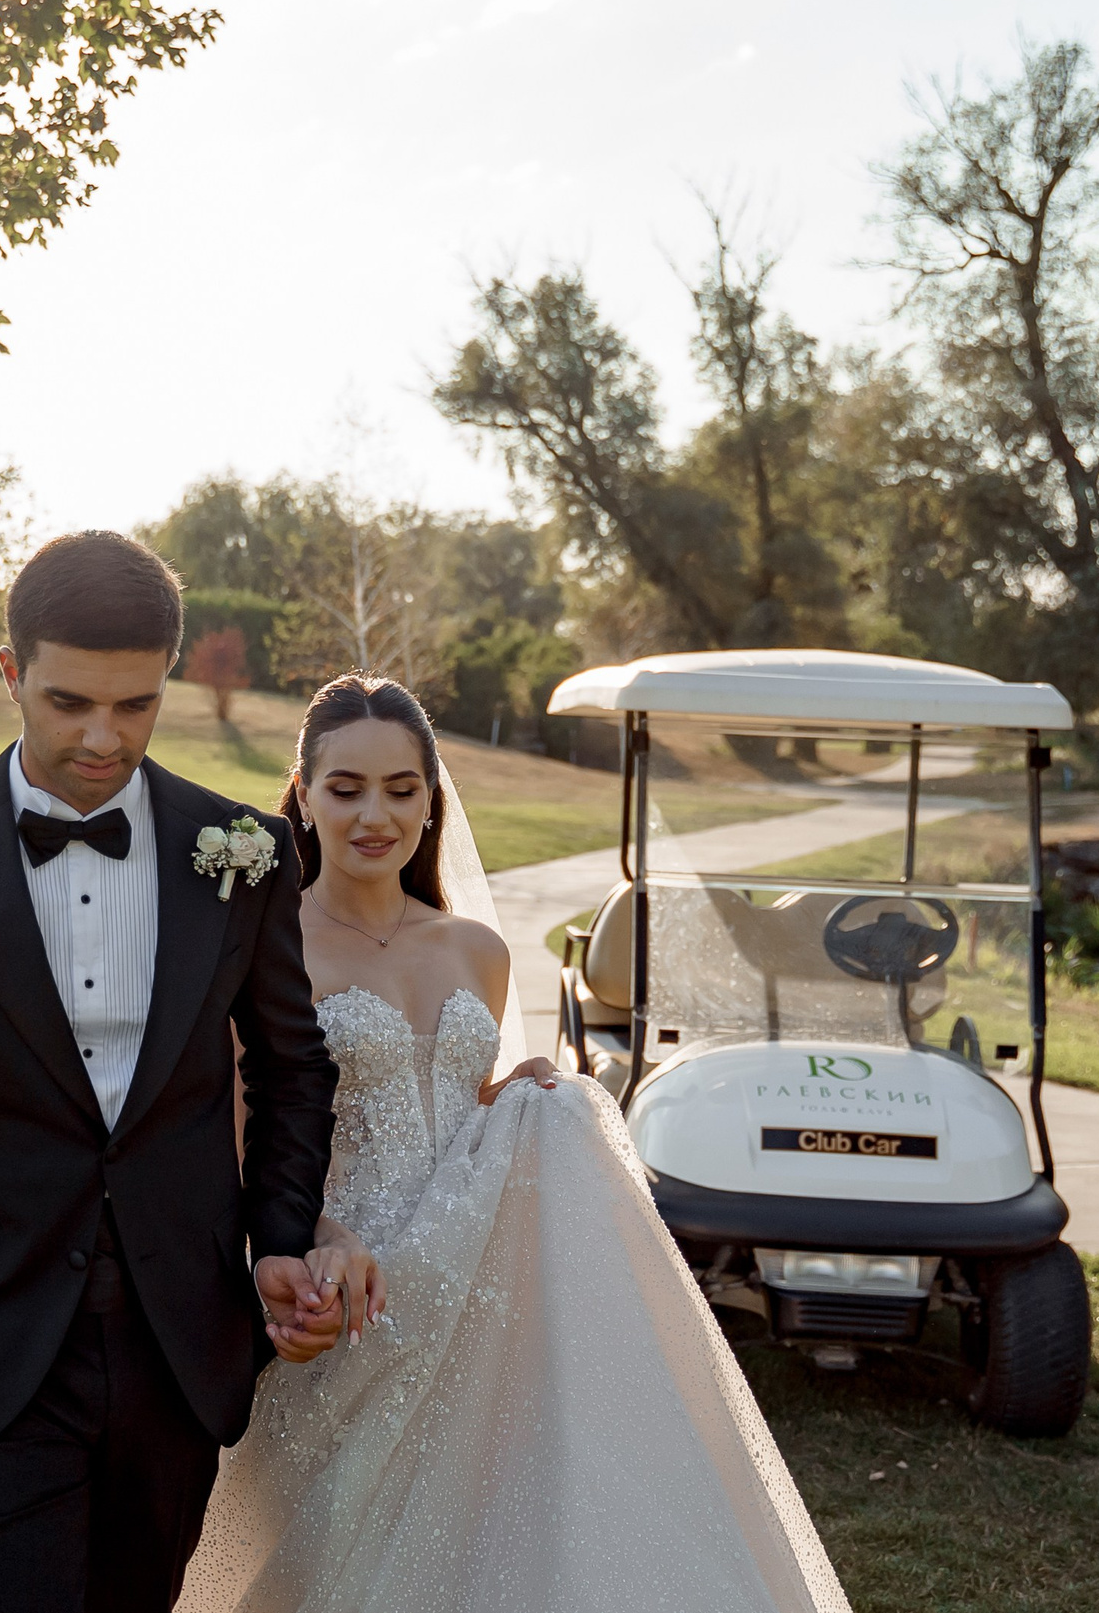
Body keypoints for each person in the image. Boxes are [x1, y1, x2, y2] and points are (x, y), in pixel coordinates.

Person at [177, 675, 852, 1613]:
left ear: (431, 800)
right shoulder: (267, 945)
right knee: (339, 1549)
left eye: (401, 789)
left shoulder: (476, 950)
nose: (375, 815)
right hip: (348, 1287)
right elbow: (237, 1138)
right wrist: (315, 1234)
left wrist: (516, 1097)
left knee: (493, 1536)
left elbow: (454, 1112)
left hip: (481, 1283)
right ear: (304, 793)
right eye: (346, 788)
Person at [0, 531, 348, 1612]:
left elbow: (291, 1069)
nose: (103, 735)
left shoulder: (244, 851)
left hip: (178, 1345)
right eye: (70, 701)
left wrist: (278, 1235)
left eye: (136, 704)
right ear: (10, 672)